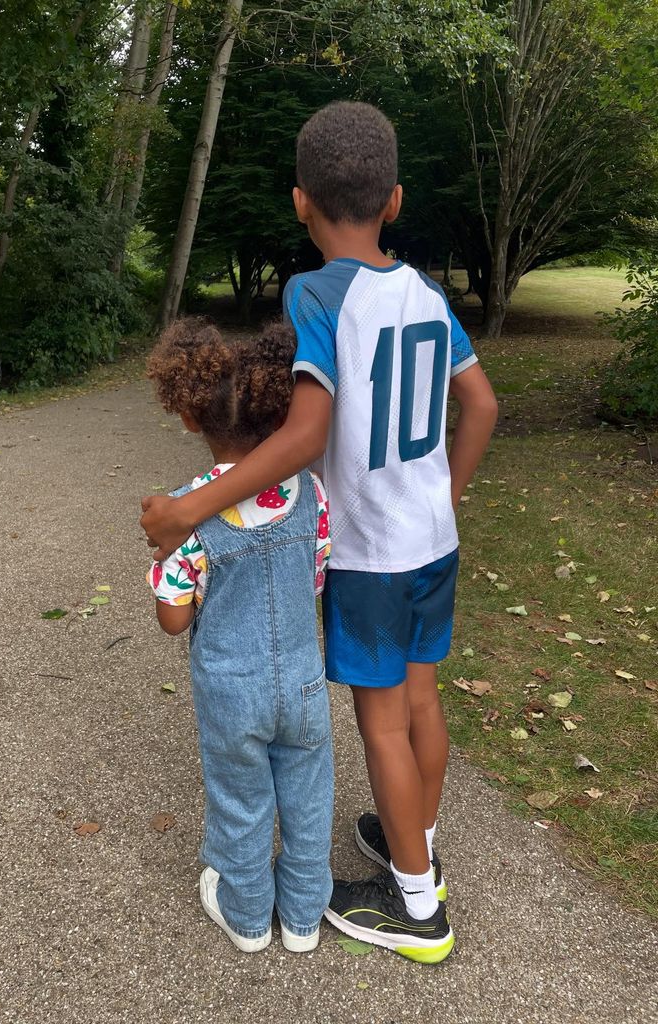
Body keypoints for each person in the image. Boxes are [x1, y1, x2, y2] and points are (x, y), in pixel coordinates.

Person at [141, 101, 498, 962]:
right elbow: (481, 404)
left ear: (301, 202)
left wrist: (191, 507)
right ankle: (412, 836)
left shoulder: (313, 292)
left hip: (374, 554)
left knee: (380, 721)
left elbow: (304, 436)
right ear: (397, 201)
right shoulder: (424, 291)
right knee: (420, 698)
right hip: (432, 541)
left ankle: (418, 908)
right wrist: (443, 497)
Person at [147, 318, 333, 955]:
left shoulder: (189, 508)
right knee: (308, 794)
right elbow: (316, 574)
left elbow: (174, 616)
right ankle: (305, 917)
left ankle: (248, 915)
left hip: (231, 687)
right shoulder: (310, 491)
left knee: (240, 795)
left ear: (192, 419)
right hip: (303, 678)